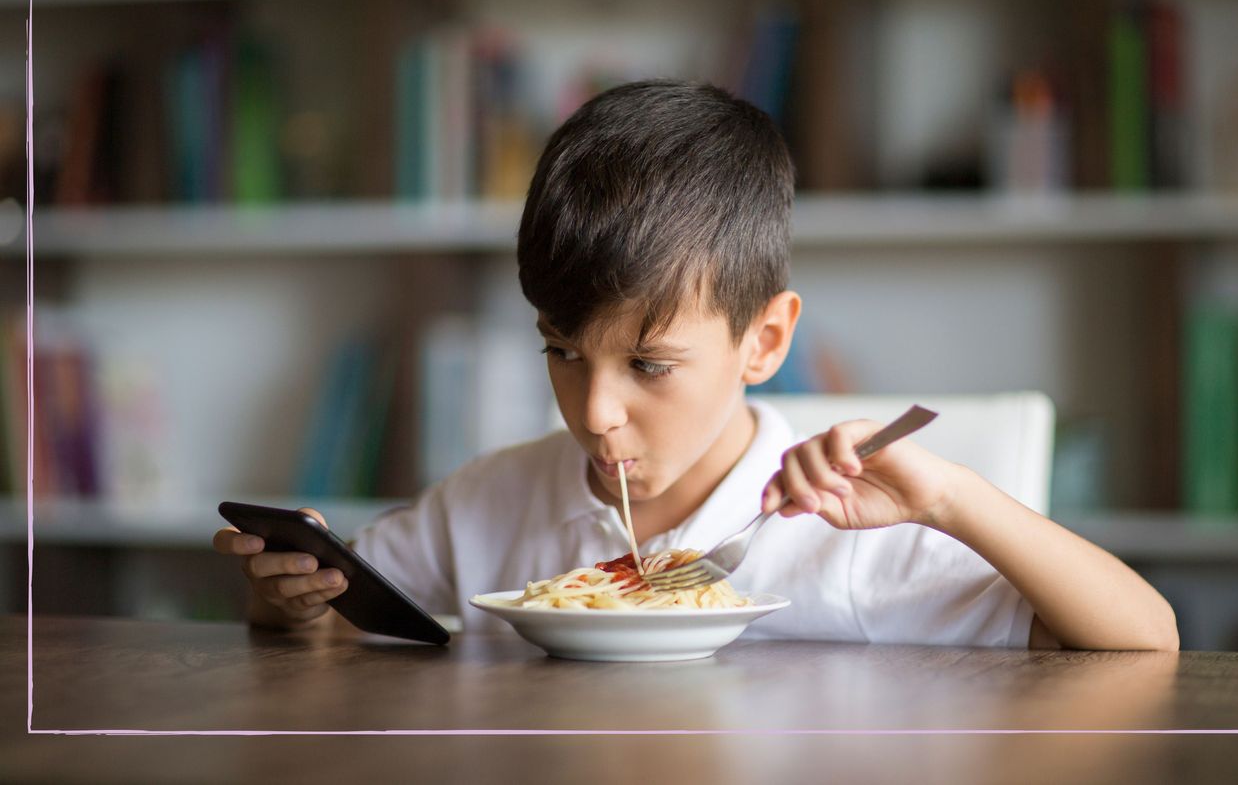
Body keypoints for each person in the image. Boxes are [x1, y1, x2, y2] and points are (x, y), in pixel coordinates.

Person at [213, 79, 1178, 650]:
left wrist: (954, 500)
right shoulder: (492, 505)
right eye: (561, 350)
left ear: (763, 340)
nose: (594, 411)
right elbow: (343, 617)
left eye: (648, 363)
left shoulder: (841, 533)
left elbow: (1146, 640)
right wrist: (288, 601)